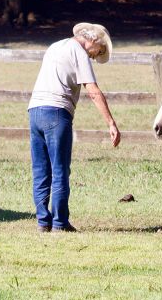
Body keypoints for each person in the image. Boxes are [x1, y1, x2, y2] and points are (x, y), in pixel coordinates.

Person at [28, 22, 121, 232]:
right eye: (100, 51)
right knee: (60, 169)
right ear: (93, 40)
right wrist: (111, 123)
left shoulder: (55, 46)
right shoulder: (79, 51)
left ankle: (43, 221)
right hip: (57, 112)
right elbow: (93, 90)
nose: (96, 57)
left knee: (40, 169)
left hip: (34, 111)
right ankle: (60, 223)